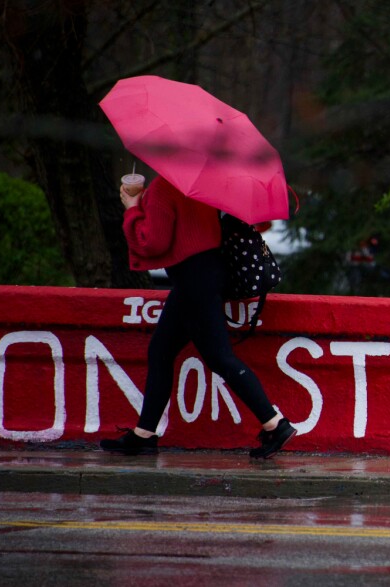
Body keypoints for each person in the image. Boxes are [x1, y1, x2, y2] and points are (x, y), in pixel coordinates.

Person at [100, 175, 296, 458]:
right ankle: (144, 434)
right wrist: (146, 204)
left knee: (220, 357)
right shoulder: (199, 184)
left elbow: (151, 243)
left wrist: (132, 208)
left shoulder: (163, 187)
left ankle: (275, 423)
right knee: (161, 351)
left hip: (194, 280)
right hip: (203, 275)